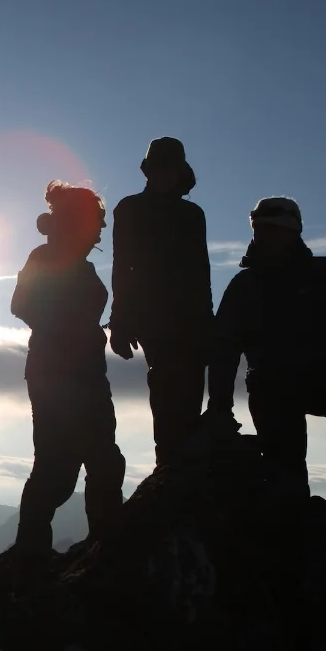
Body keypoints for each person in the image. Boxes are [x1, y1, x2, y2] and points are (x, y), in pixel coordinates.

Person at [204, 197, 326, 516]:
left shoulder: (325, 273)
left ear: (293, 232)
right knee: (288, 488)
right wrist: (220, 409)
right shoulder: (245, 286)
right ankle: (287, 507)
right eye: (260, 229)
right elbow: (223, 349)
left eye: (273, 229)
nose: (264, 236)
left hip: (320, 379)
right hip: (271, 390)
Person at [10, 181, 126, 555]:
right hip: (56, 375)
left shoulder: (78, 264)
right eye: (96, 222)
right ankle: (31, 553)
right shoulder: (45, 258)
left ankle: (102, 543)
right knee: (58, 469)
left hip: (85, 373)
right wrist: (69, 329)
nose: (100, 231)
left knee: (102, 460)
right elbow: (22, 304)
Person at [107, 137, 214, 467]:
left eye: (169, 168)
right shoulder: (129, 209)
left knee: (191, 387)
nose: (163, 175)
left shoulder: (193, 214)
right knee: (167, 383)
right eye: (158, 168)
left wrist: (207, 319)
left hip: (192, 317)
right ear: (148, 171)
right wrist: (120, 320)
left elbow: (201, 269)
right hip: (152, 317)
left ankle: (182, 462)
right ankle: (168, 462)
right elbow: (122, 265)